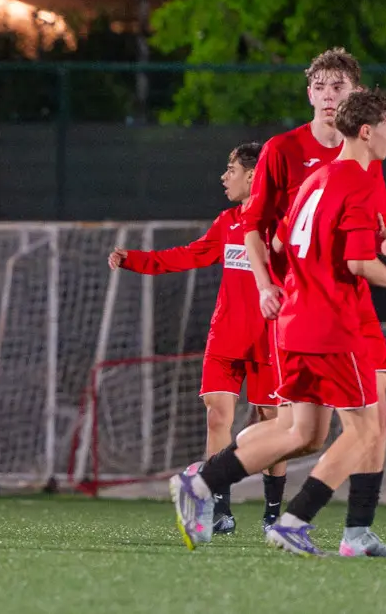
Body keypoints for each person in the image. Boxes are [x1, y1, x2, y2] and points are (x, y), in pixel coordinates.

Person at [171, 88, 386, 557]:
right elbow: (360, 264)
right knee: (366, 430)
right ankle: (295, 520)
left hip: (292, 322)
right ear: (367, 131)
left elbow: (282, 244)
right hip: (331, 323)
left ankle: (201, 483)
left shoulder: (315, 179)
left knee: (303, 434)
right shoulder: (360, 181)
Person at [243, 47, 386, 555]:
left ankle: (355, 529)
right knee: (306, 432)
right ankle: (212, 479)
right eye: (320, 86)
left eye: (339, 86)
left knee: (355, 420)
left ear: (355, 96)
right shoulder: (287, 151)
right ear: (309, 93)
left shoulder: (365, 157)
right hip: (307, 307)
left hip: (346, 306)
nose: (329, 94)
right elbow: (258, 228)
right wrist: (265, 284)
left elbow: (367, 235)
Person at [108, 142, 280, 535]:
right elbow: (187, 255)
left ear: (253, 175)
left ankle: (273, 513)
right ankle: (220, 510)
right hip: (225, 338)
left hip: (269, 338)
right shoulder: (227, 222)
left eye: (231, 169)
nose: (224, 176)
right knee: (218, 416)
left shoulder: (280, 223)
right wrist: (135, 259)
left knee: (274, 423)